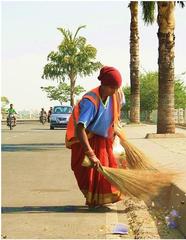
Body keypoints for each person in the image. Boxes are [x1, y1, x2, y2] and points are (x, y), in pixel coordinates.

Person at [66, 66, 125, 208]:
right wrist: (91, 154)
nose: (115, 91)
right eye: (112, 88)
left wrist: (116, 128)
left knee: (109, 166)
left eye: (117, 87)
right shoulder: (90, 101)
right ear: (104, 85)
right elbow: (80, 128)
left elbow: (117, 111)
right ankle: (94, 199)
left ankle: (103, 198)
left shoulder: (116, 94)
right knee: (87, 170)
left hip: (104, 138)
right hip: (86, 139)